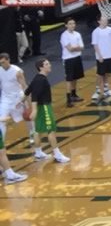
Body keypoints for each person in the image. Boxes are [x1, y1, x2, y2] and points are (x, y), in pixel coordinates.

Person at [27, 56, 68, 165]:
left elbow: (28, 90)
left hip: (41, 108)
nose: (49, 65)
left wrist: (19, 101)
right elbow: (34, 95)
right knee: (51, 130)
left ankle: (38, 152)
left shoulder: (37, 78)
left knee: (38, 131)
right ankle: (57, 155)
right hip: (44, 107)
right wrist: (34, 110)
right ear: (41, 67)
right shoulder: (41, 80)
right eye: (47, 64)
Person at [0, 51, 29, 183]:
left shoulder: (17, 71)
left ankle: (38, 148)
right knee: (2, 124)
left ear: (8, 60)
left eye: (3, 61)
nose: (2, 64)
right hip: (5, 99)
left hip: (18, 98)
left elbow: (24, 86)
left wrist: (27, 102)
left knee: (30, 118)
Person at [60, 17, 85, 107]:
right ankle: (68, 98)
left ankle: (74, 94)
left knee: (75, 77)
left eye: (73, 23)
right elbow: (70, 49)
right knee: (69, 78)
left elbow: (82, 47)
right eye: (70, 24)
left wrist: (75, 48)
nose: (72, 25)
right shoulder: (64, 35)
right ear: (66, 25)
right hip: (68, 59)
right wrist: (76, 47)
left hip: (77, 57)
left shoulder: (77, 34)